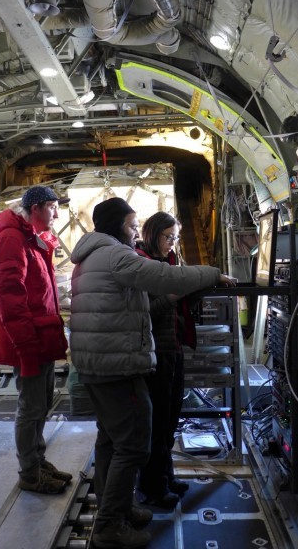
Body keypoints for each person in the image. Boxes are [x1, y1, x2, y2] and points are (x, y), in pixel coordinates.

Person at [70, 197, 234, 549]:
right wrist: (211, 273)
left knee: (111, 441)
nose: (135, 233)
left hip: (96, 363)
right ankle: (110, 525)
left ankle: (119, 507)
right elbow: (163, 277)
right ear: (116, 227)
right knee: (134, 442)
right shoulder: (115, 254)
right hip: (117, 366)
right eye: (131, 226)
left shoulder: (89, 255)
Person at [0, 185, 72, 494]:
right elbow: (9, 296)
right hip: (29, 341)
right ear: (35, 208)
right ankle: (29, 473)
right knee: (32, 406)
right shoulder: (11, 239)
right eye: (52, 207)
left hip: (41, 335)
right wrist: (25, 346)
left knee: (42, 403)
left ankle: (37, 460)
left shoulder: (29, 238)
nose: (57, 213)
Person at [136, 211, 199, 508]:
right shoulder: (143, 263)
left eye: (175, 237)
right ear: (153, 233)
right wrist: (174, 296)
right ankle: (153, 487)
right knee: (158, 420)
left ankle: (166, 475)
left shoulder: (170, 261)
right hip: (156, 350)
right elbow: (144, 310)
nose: (172, 243)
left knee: (171, 416)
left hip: (173, 346)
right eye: (168, 237)